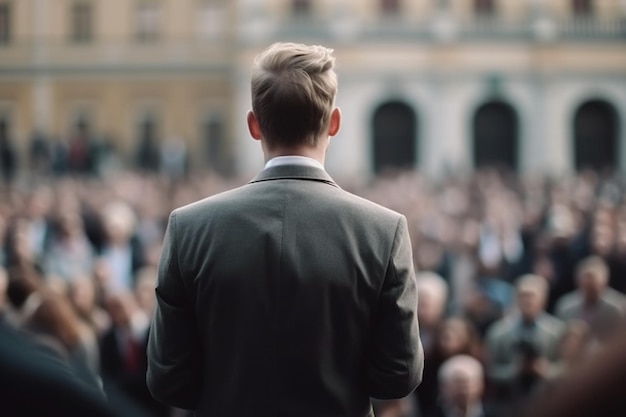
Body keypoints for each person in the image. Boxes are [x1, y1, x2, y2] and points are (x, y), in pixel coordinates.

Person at [147, 42, 424, 417]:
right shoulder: (384, 230)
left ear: (253, 125)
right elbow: (398, 377)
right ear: (335, 122)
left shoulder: (188, 227)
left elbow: (168, 379)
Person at [484, 274, 564, 412]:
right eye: (523, 296)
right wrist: (514, 370)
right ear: (515, 299)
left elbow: (569, 367)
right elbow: (490, 370)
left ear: (543, 299)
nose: (528, 301)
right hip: (510, 403)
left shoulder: (558, 331)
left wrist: (546, 370)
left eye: (532, 296)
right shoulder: (498, 332)